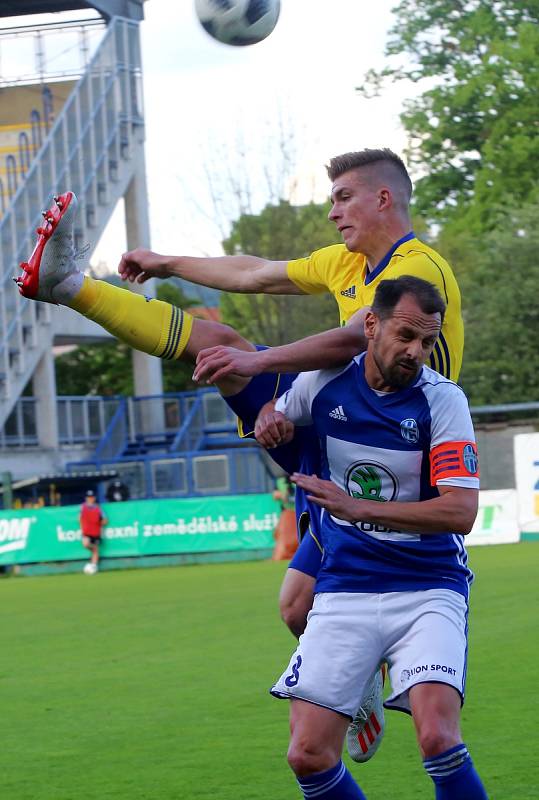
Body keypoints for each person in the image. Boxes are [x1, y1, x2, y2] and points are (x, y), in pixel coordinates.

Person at [14, 148, 462, 760]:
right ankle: (69, 286)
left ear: (383, 199)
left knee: (298, 599)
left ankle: (69, 286)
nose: (332, 213)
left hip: (400, 459)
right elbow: (253, 272)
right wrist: (167, 259)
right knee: (294, 607)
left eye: (343, 198)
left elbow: (348, 336)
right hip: (343, 438)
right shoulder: (344, 264)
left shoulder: (418, 270)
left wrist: (262, 362)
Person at [256, 276, 487, 800]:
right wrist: (270, 418)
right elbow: (279, 416)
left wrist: (355, 506)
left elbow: (461, 510)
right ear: (371, 325)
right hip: (344, 589)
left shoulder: (442, 401)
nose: (415, 352)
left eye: (426, 342)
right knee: (307, 754)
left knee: (437, 735)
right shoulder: (323, 384)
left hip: (428, 588)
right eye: (405, 335)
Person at [80, 490, 107, 574]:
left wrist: (98, 522)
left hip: (95, 532)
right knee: (86, 544)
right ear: (86, 498)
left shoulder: (98, 508)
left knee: (95, 550)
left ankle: (94, 566)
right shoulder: (82, 507)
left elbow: (105, 520)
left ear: (94, 498)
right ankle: (92, 565)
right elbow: (79, 518)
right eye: (89, 497)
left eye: (91, 497)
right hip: (86, 531)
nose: (90, 499)